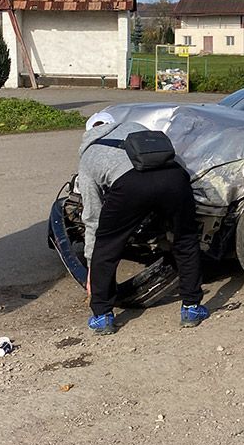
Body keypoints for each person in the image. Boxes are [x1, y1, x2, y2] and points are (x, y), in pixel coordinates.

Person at [78, 112, 208, 334]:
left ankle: (102, 316)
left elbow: (93, 217)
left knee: (107, 246)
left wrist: (92, 263)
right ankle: (192, 307)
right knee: (185, 239)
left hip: (130, 186)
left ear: (89, 132)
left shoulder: (89, 154)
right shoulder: (135, 126)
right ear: (114, 123)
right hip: (174, 176)